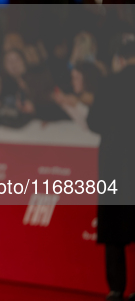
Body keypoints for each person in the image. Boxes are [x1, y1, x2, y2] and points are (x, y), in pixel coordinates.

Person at [87, 40, 135, 301]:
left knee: (115, 226)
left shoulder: (108, 84)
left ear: (120, 59)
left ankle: (116, 289)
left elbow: (94, 122)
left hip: (115, 164)